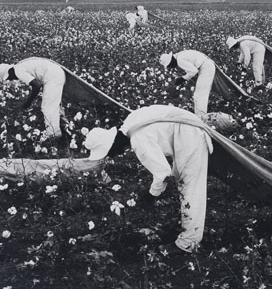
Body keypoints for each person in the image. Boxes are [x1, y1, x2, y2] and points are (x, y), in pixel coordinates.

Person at [84, 105, 213, 255]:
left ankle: (187, 244)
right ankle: (188, 224)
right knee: (182, 181)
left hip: (191, 135)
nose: (113, 156)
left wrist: (151, 195)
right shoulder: (129, 123)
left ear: (113, 144)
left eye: (110, 152)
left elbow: (163, 174)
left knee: (191, 188)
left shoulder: (138, 139)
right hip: (187, 131)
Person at [0, 58, 67, 141]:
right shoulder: (20, 66)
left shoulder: (18, 71)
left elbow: (36, 86)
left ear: (9, 73)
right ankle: (65, 128)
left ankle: (55, 136)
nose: (11, 79)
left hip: (52, 77)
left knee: (48, 108)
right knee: (55, 105)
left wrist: (28, 102)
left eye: (9, 78)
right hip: (56, 73)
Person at [158, 50, 216, 119]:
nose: (171, 67)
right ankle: (200, 116)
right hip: (206, 65)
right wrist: (184, 79)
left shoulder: (180, 60)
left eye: (169, 65)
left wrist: (183, 78)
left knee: (200, 94)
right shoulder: (179, 55)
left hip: (206, 67)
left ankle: (202, 118)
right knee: (199, 94)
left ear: (171, 61)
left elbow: (194, 71)